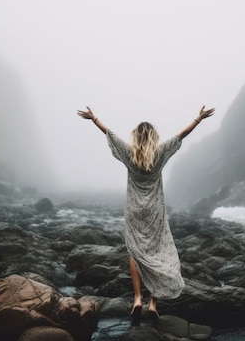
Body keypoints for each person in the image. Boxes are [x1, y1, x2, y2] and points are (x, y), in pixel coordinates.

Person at [76, 105, 215, 321]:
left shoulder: (129, 153)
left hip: (133, 208)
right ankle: (153, 302)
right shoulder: (159, 153)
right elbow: (182, 135)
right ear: (153, 137)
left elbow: (109, 133)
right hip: (155, 210)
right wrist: (198, 119)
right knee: (157, 251)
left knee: (135, 251)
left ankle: (138, 298)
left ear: (136, 137)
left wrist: (94, 118)